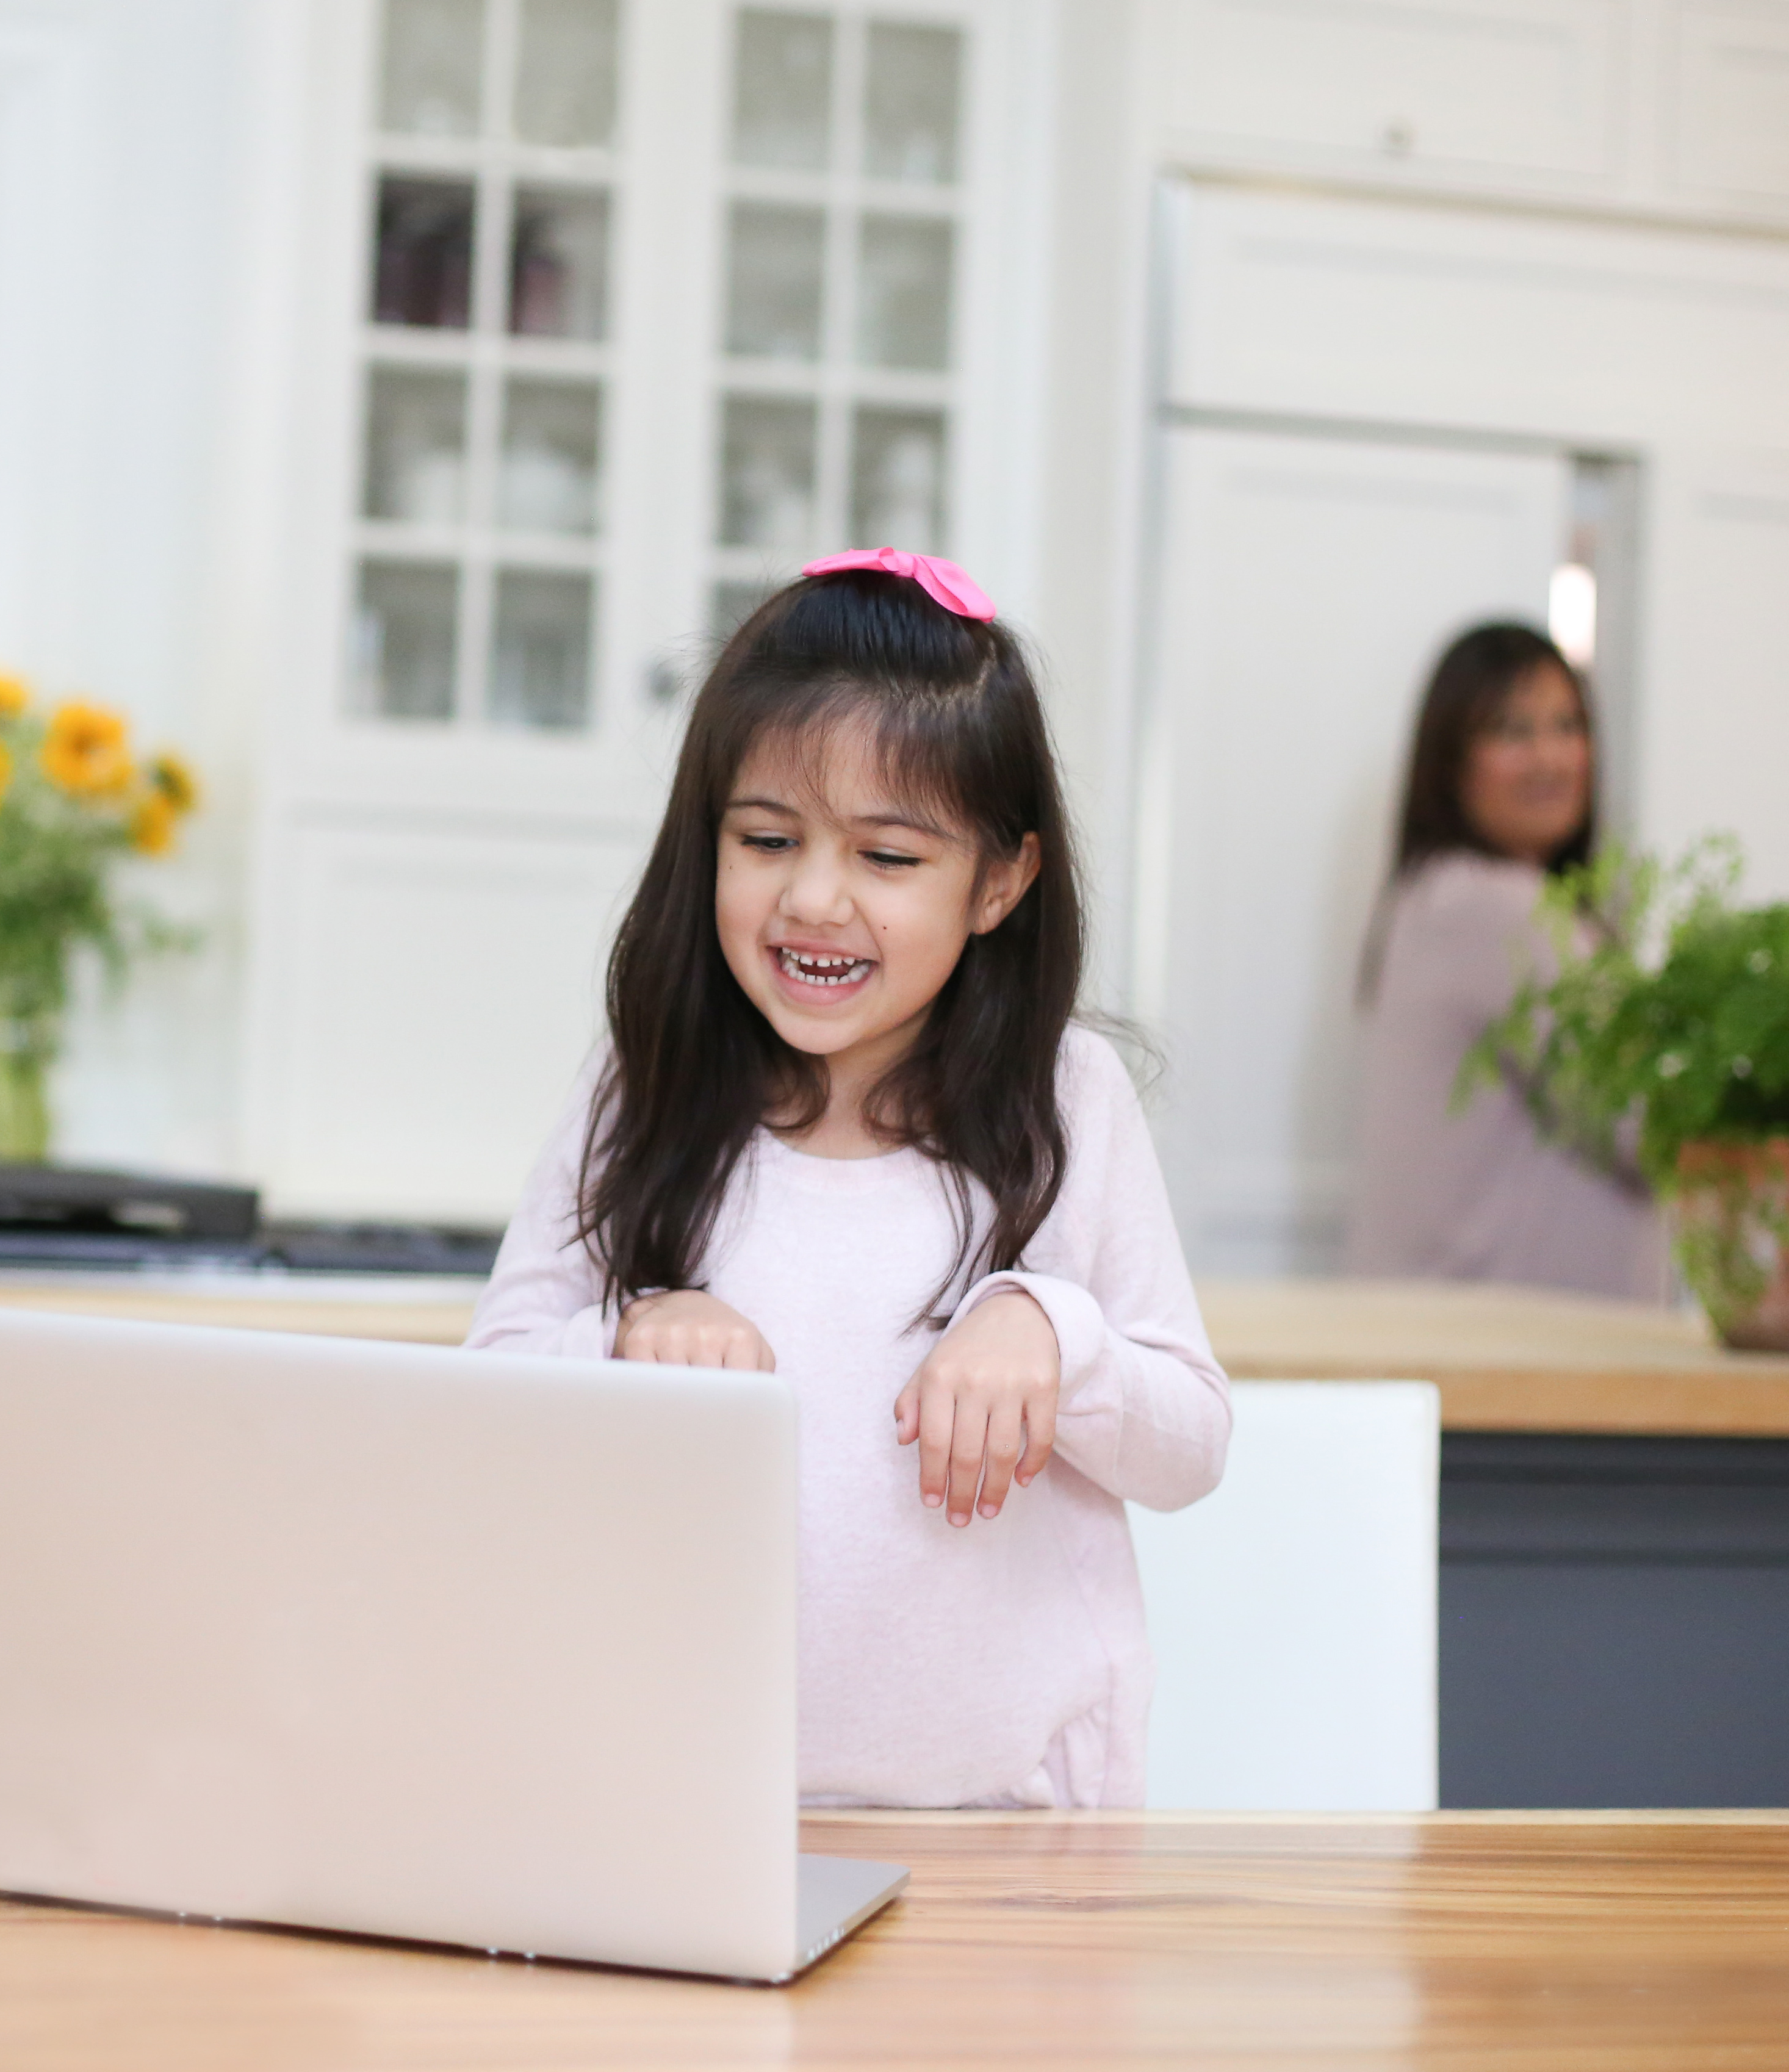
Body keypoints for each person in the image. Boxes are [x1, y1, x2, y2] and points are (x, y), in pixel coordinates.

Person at [467, 547, 1231, 1810]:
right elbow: (482, 1411)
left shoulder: (1066, 1102)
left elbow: (1191, 1444)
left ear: (1000, 882)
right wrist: (630, 1337)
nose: (814, 899)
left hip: (1011, 1834)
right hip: (670, 1812)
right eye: (767, 837)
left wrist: (1053, 1331)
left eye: (888, 858)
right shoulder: (642, 1080)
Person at [1341, 621, 1663, 1298]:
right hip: (1507, 1351)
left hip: (1473, 1342)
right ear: (1451, 760)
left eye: (1569, 726)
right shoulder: (1498, 910)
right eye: (1514, 732)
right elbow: (1650, 1121)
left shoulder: (1439, 895)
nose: (1552, 757)